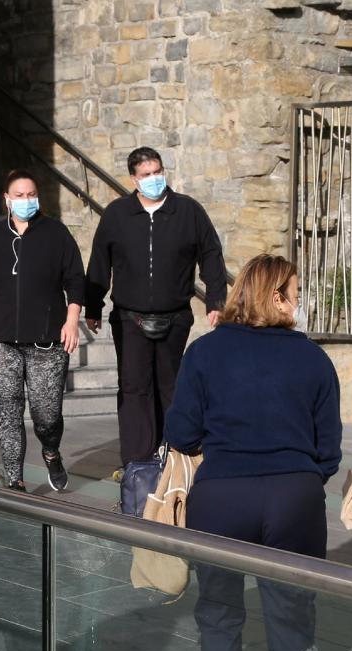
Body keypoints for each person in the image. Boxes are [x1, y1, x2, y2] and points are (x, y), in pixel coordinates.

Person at [164, 254, 342, 651]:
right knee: (294, 627)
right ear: (277, 296)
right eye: (293, 289)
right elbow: (329, 451)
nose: (298, 298)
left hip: (223, 495)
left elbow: (181, 432)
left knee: (219, 614)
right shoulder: (313, 360)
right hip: (293, 496)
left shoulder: (206, 351)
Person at [85, 146, 227, 469]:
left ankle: (173, 455)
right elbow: (99, 263)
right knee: (134, 387)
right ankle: (137, 462)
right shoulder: (117, 215)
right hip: (129, 317)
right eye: (146, 175)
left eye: (157, 172)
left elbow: (211, 254)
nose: (154, 179)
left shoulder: (188, 212)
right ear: (134, 179)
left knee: (171, 387)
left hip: (174, 317)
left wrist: (216, 300)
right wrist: (92, 306)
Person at [0, 169, 85, 492]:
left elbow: (75, 278)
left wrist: (72, 318)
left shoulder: (56, 234)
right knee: (8, 409)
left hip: (47, 341)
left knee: (47, 415)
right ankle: (14, 482)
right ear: (7, 199)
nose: (26, 200)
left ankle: (50, 450)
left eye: (31, 194)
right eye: (19, 195)